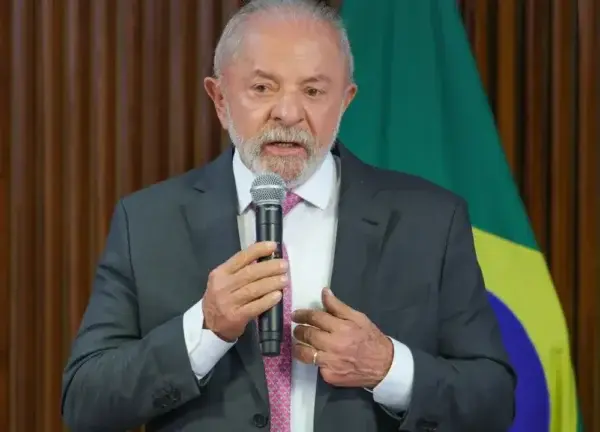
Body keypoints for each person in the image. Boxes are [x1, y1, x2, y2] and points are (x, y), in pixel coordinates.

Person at [61, 0, 516, 431]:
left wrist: (387, 367)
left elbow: (494, 401)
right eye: (262, 88)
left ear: (345, 101)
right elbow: (85, 402)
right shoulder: (148, 222)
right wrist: (204, 330)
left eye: (314, 91)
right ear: (219, 99)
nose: (288, 113)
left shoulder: (430, 222)